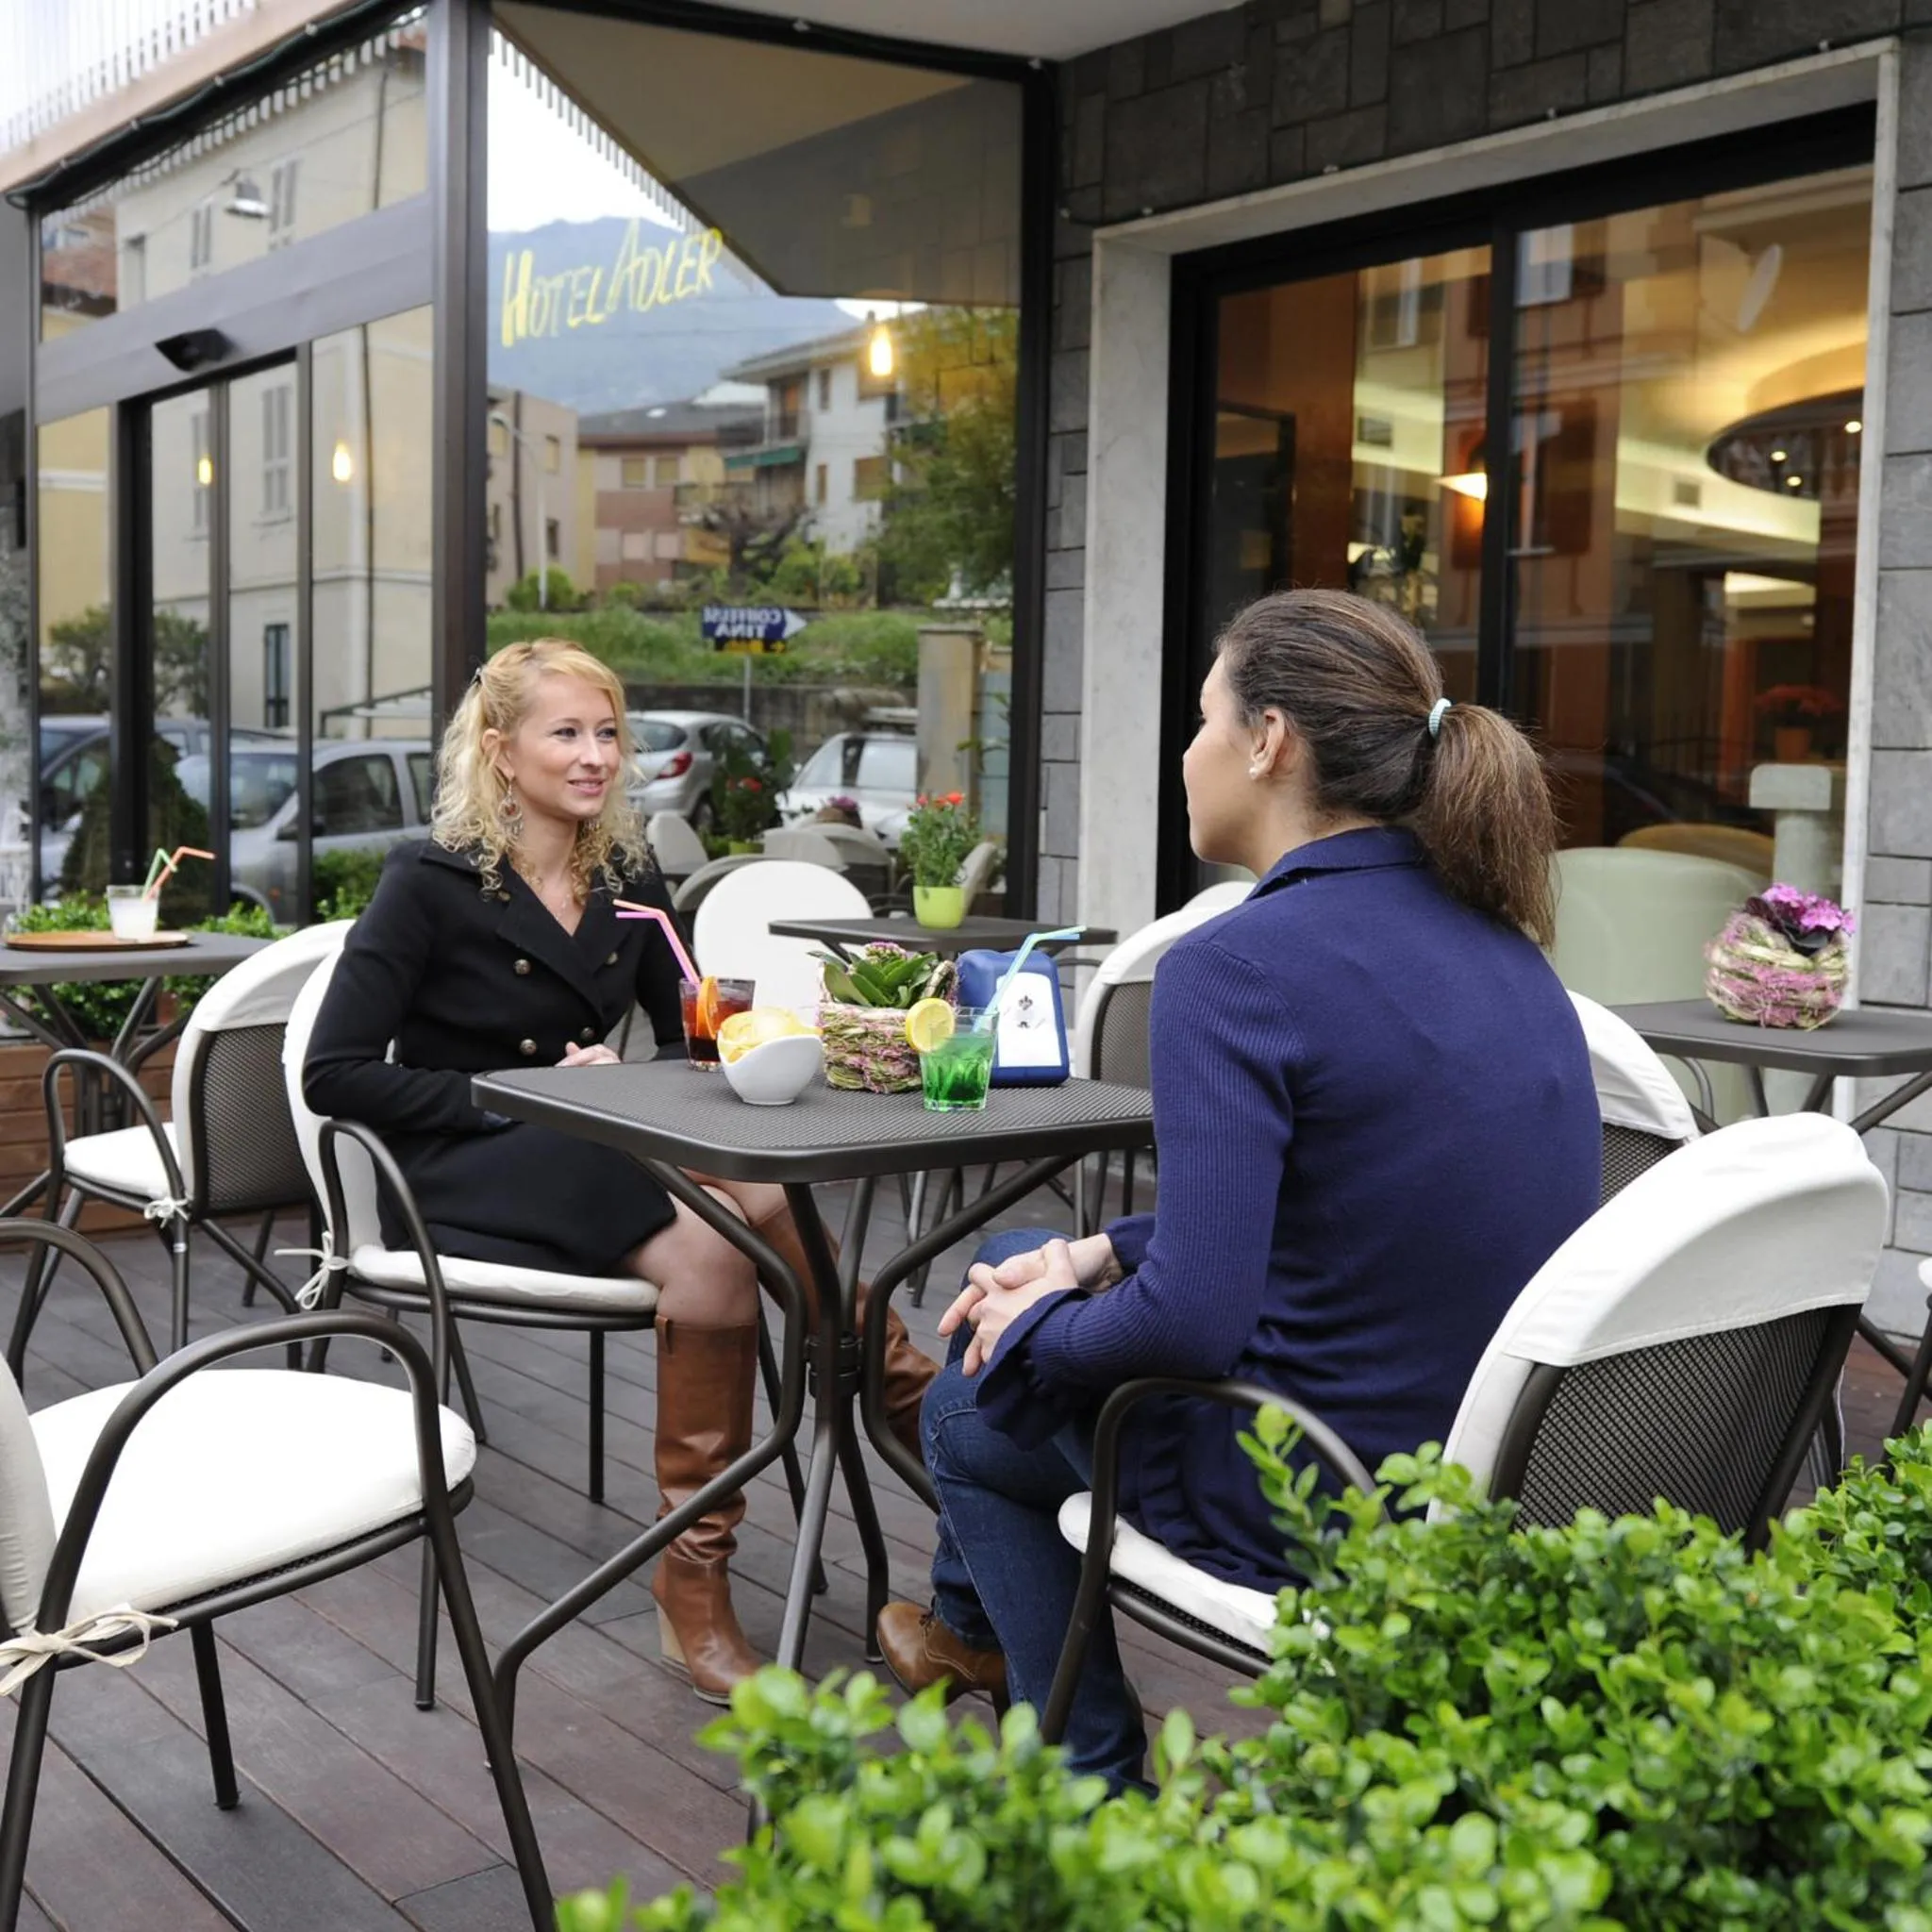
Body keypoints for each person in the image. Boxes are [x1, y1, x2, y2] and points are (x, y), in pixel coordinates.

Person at [877, 589, 1600, 1790]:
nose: (1185, 747)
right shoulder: (1502, 941)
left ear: (1267, 740)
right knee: (1019, 1261)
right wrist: (1089, 1255)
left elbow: (1189, 1323)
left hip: (1318, 1488)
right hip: (1485, 1469)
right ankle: (966, 1637)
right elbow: (1356, 1199)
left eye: (1202, 713)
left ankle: (1091, 1779)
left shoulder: (1232, 965)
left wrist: (1032, 1327)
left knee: (967, 1390)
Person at [305, 639, 936, 1705]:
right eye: (566, 732)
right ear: (501, 751)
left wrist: (739, 1042)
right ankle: (889, 1400)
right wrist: (516, 1089)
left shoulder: (628, 873)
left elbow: (691, 1034)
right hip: (460, 1159)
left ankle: (714, 1561)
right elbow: (335, 1072)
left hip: (591, 1142)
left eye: (607, 731)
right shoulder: (430, 877)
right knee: (731, 1225)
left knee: (740, 1221)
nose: (595, 755)